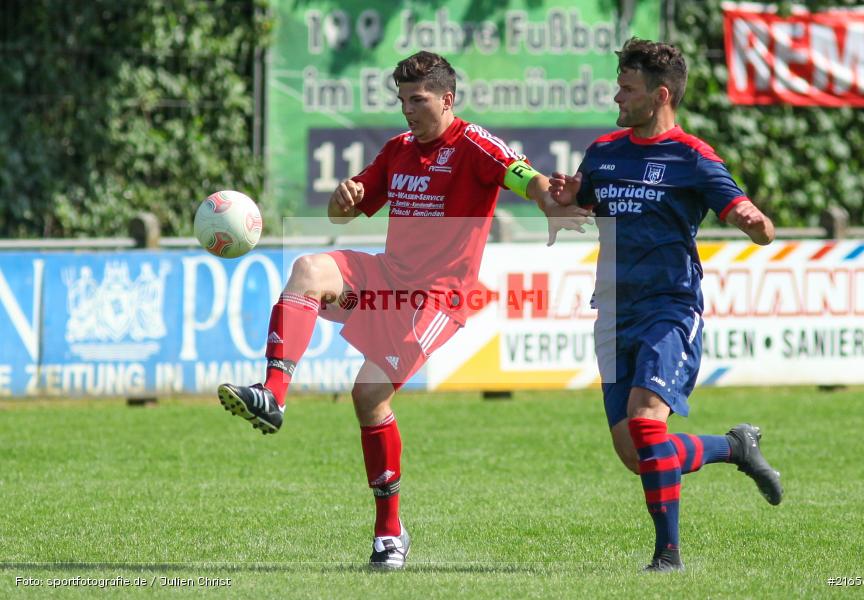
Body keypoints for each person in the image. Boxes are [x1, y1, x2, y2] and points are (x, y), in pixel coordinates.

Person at [218, 50, 592, 570]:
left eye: (417, 100)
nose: (408, 111)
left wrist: (549, 201)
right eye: (402, 101)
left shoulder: (473, 143)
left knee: (367, 394)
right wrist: (341, 198)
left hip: (435, 298)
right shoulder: (397, 150)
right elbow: (342, 213)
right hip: (387, 280)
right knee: (307, 269)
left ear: (447, 98)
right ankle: (273, 396)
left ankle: (389, 533)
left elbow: (520, 175)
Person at [550, 38, 783, 572]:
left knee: (647, 423)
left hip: (670, 308)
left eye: (626, 89)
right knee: (637, 455)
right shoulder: (605, 151)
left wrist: (754, 222)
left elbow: (752, 217)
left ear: (659, 95)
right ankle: (734, 447)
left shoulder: (694, 158)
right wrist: (566, 196)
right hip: (612, 312)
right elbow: (580, 202)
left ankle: (668, 556)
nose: (616, 97)